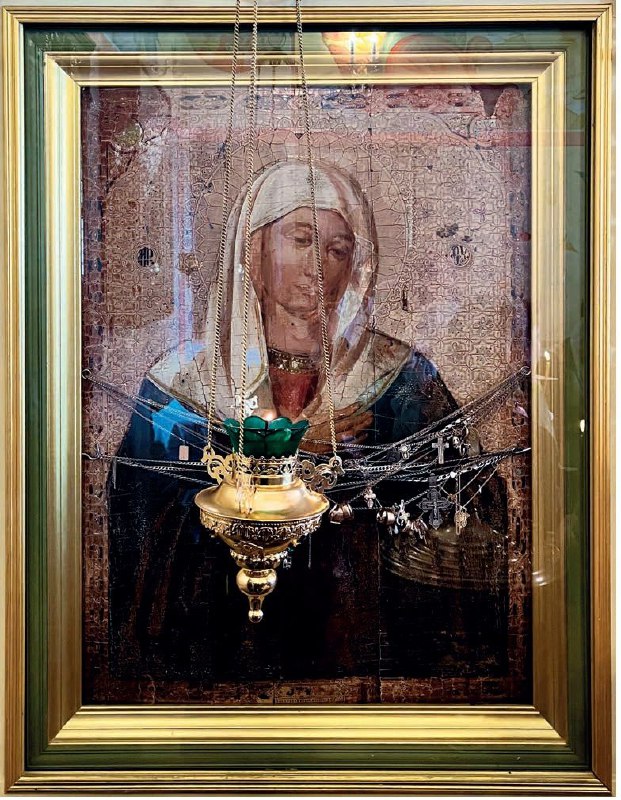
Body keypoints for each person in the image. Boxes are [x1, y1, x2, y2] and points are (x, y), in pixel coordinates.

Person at [109, 160, 507, 692]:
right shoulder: (182, 382)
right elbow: (136, 520)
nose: (318, 265)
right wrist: (292, 458)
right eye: (300, 240)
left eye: (338, 250)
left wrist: (364, 474)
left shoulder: (401, 379)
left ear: (356, 268)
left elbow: (472, 500)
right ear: (253, 253)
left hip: (354, 646)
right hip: (214, 645)